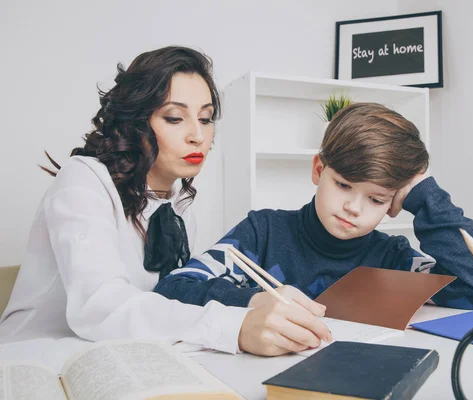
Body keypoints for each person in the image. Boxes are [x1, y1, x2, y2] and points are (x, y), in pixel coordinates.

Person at [0, 46, 331, 356]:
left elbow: (166, 299)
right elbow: (99, 305)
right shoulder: (84, 179)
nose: (197, 135)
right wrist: (235, 326)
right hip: (36, 358)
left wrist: (252, 303)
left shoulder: (178, 207)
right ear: (136, 122)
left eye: (205, 118)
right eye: (175, 118)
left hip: (122, 355)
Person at [154, 103, 473, 343]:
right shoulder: (263, 232)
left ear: (394, 204)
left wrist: (424, 195)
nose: (353, 207)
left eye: (376, 199)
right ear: (319, 170)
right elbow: (174, 288)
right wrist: (252, 302)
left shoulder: (393, 258)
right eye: (343, 185)